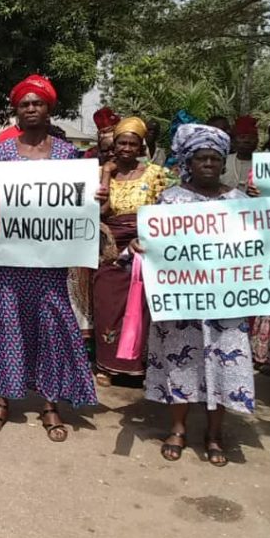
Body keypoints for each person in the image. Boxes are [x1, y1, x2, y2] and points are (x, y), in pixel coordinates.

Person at [0, 75, 97, 442]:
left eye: (37, 103)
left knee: (51, 325)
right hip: (11, 261)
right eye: (24, 104)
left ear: (49, 108)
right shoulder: (1, 153)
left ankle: (49, 403)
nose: (31, 109)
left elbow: (76, 206)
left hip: (51, 261)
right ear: (16, 110)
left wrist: (95, 200)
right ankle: (2, 398)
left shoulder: (66, 154)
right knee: (7, 322)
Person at [141, 124, 255, 466]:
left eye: (214, 158)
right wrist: (141, 246)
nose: (208, 164)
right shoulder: (170, 199)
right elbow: (157, 245)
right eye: (201, 158)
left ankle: (215, 433)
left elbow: (255, 249)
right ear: (189, 162)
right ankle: (177, 427)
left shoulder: (241, 202)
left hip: (226, 303)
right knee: (182, 362)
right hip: (182, 304)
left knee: (224, 364)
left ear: (224, 164)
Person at [93, 116, 168, 382]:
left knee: (143, 305)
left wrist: (148, 239)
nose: (126, 148)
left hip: (146, 245)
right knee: (107, 302)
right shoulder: (104, 173)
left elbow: (166, 210)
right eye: (121, 143)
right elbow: (101, 212)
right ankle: (107, 366)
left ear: (141, 147)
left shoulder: (156, 174)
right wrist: (105, 173)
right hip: (112, 247)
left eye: (132, 144)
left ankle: (140, 366)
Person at [221, 115, 258, 191]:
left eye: (251, 137)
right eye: (242, 137)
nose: (247, 141)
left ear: (257, 141)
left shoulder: (263, 163)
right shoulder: (223, 161)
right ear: (233, 141)